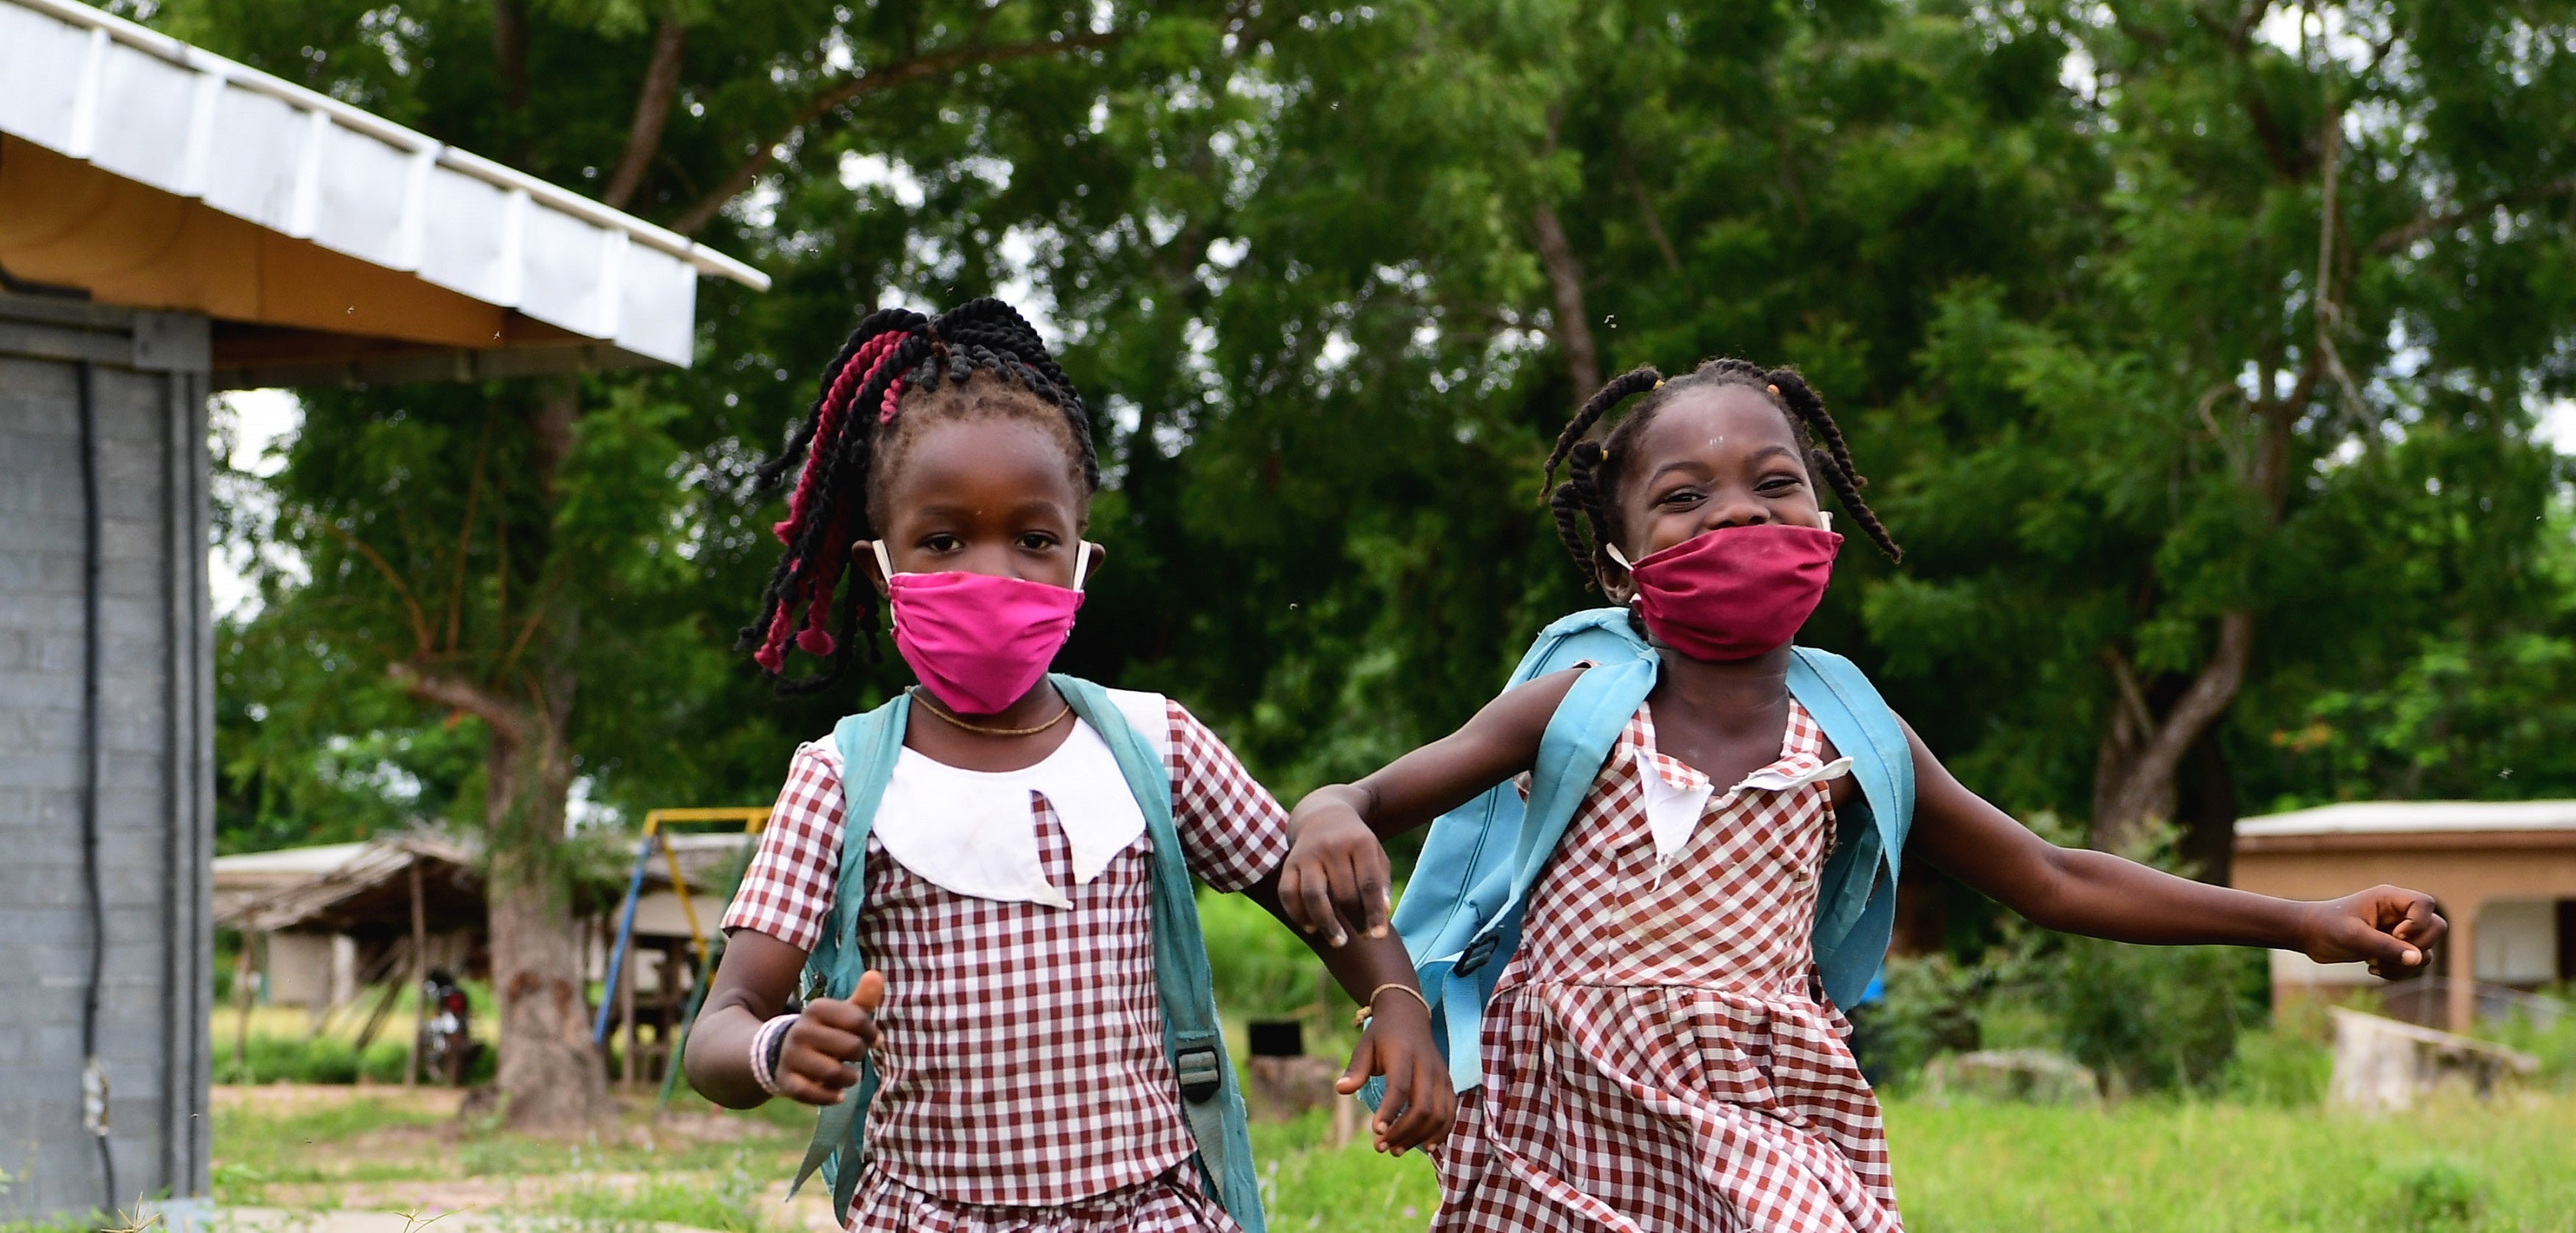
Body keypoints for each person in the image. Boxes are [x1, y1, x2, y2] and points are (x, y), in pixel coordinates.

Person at [1273, 359, 2449, 1232]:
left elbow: (2051, 876)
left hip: (1766, 1112)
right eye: (1684, 497)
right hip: (1562, 1121)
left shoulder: (1853, 733)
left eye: (1774, 482)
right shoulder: (1576, 705)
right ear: (1623, 562)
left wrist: (2303, 922)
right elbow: (1354, 805)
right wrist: (1373, 934)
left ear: (1826, 522)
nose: (1739, 512)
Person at [685, 299, 1453, 1233]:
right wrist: (776, 1049)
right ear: (881, 569)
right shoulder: (841, 780)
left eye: (1035, 540)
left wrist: (1396, 1000)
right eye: (943, 541)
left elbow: (1313, 898)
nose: (994, 574)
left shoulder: (1154, 745)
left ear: (1081, 562)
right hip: (929, 1214)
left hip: (1153, 1208)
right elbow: (721, 1025)